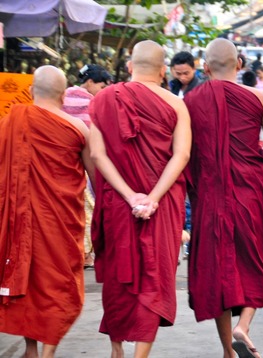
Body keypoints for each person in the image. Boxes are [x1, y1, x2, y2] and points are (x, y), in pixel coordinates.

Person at [184, 38, 263, 358]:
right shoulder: (259, 97)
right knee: (254, 259)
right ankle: (245, 325)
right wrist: (253, 155)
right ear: (239, 64)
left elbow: (185, 153)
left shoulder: (190, 101)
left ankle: (228, 349)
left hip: (209, 195)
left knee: (219, 270)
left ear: (204, 67)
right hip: (250, 191)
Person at [89, 40, 191, 357]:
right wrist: (153, 197)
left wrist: (131, 195)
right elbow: (182, 155)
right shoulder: (176, 104)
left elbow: (97, 154)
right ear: (163, 71)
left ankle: (117, 349)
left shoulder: (104, 98)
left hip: (120, 203)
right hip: (162, 205)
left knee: (120, 279)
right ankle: (139, 355)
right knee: (155, 277)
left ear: (130, 67)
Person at [0, 65, 94, 357]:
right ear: (64, 94)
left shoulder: (8, 123)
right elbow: (95, 177)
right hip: (60, 223)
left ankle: (31, 348)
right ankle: (47, 351)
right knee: (57, 284)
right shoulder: (79, 129)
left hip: (18, 219)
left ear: (30, 91)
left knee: (26, 279)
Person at [62, 64, 112, 270]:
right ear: (89, 82)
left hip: (62, 163)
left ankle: (72, 251)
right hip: (85, 161)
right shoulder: (92, 102)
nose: (101, 91)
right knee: (88, 208)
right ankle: (85, 254)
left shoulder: (61, 95)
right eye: (101, 86)